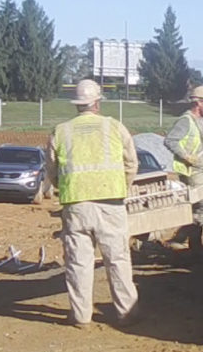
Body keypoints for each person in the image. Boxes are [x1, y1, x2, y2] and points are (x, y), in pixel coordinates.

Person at [46, 79, 139, 328]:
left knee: (79, 262)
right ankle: (126, 312)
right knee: (117, 259)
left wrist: (66, 188)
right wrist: (121, 187)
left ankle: (81, 317)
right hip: (111, 204)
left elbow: (52, 172)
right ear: (97, 102)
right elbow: (131, 164)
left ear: (77, 104)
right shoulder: (115, 127)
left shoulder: (61, 131)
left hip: (76, 205)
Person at [164, 85, 203, 253]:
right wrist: (186, 156)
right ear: (198, 103)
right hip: (191, 171)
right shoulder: (186, 121)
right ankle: (178, 238)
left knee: (196, 208)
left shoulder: (199, 122)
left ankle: (195, 247)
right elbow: (170, 140)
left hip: (199, 170)